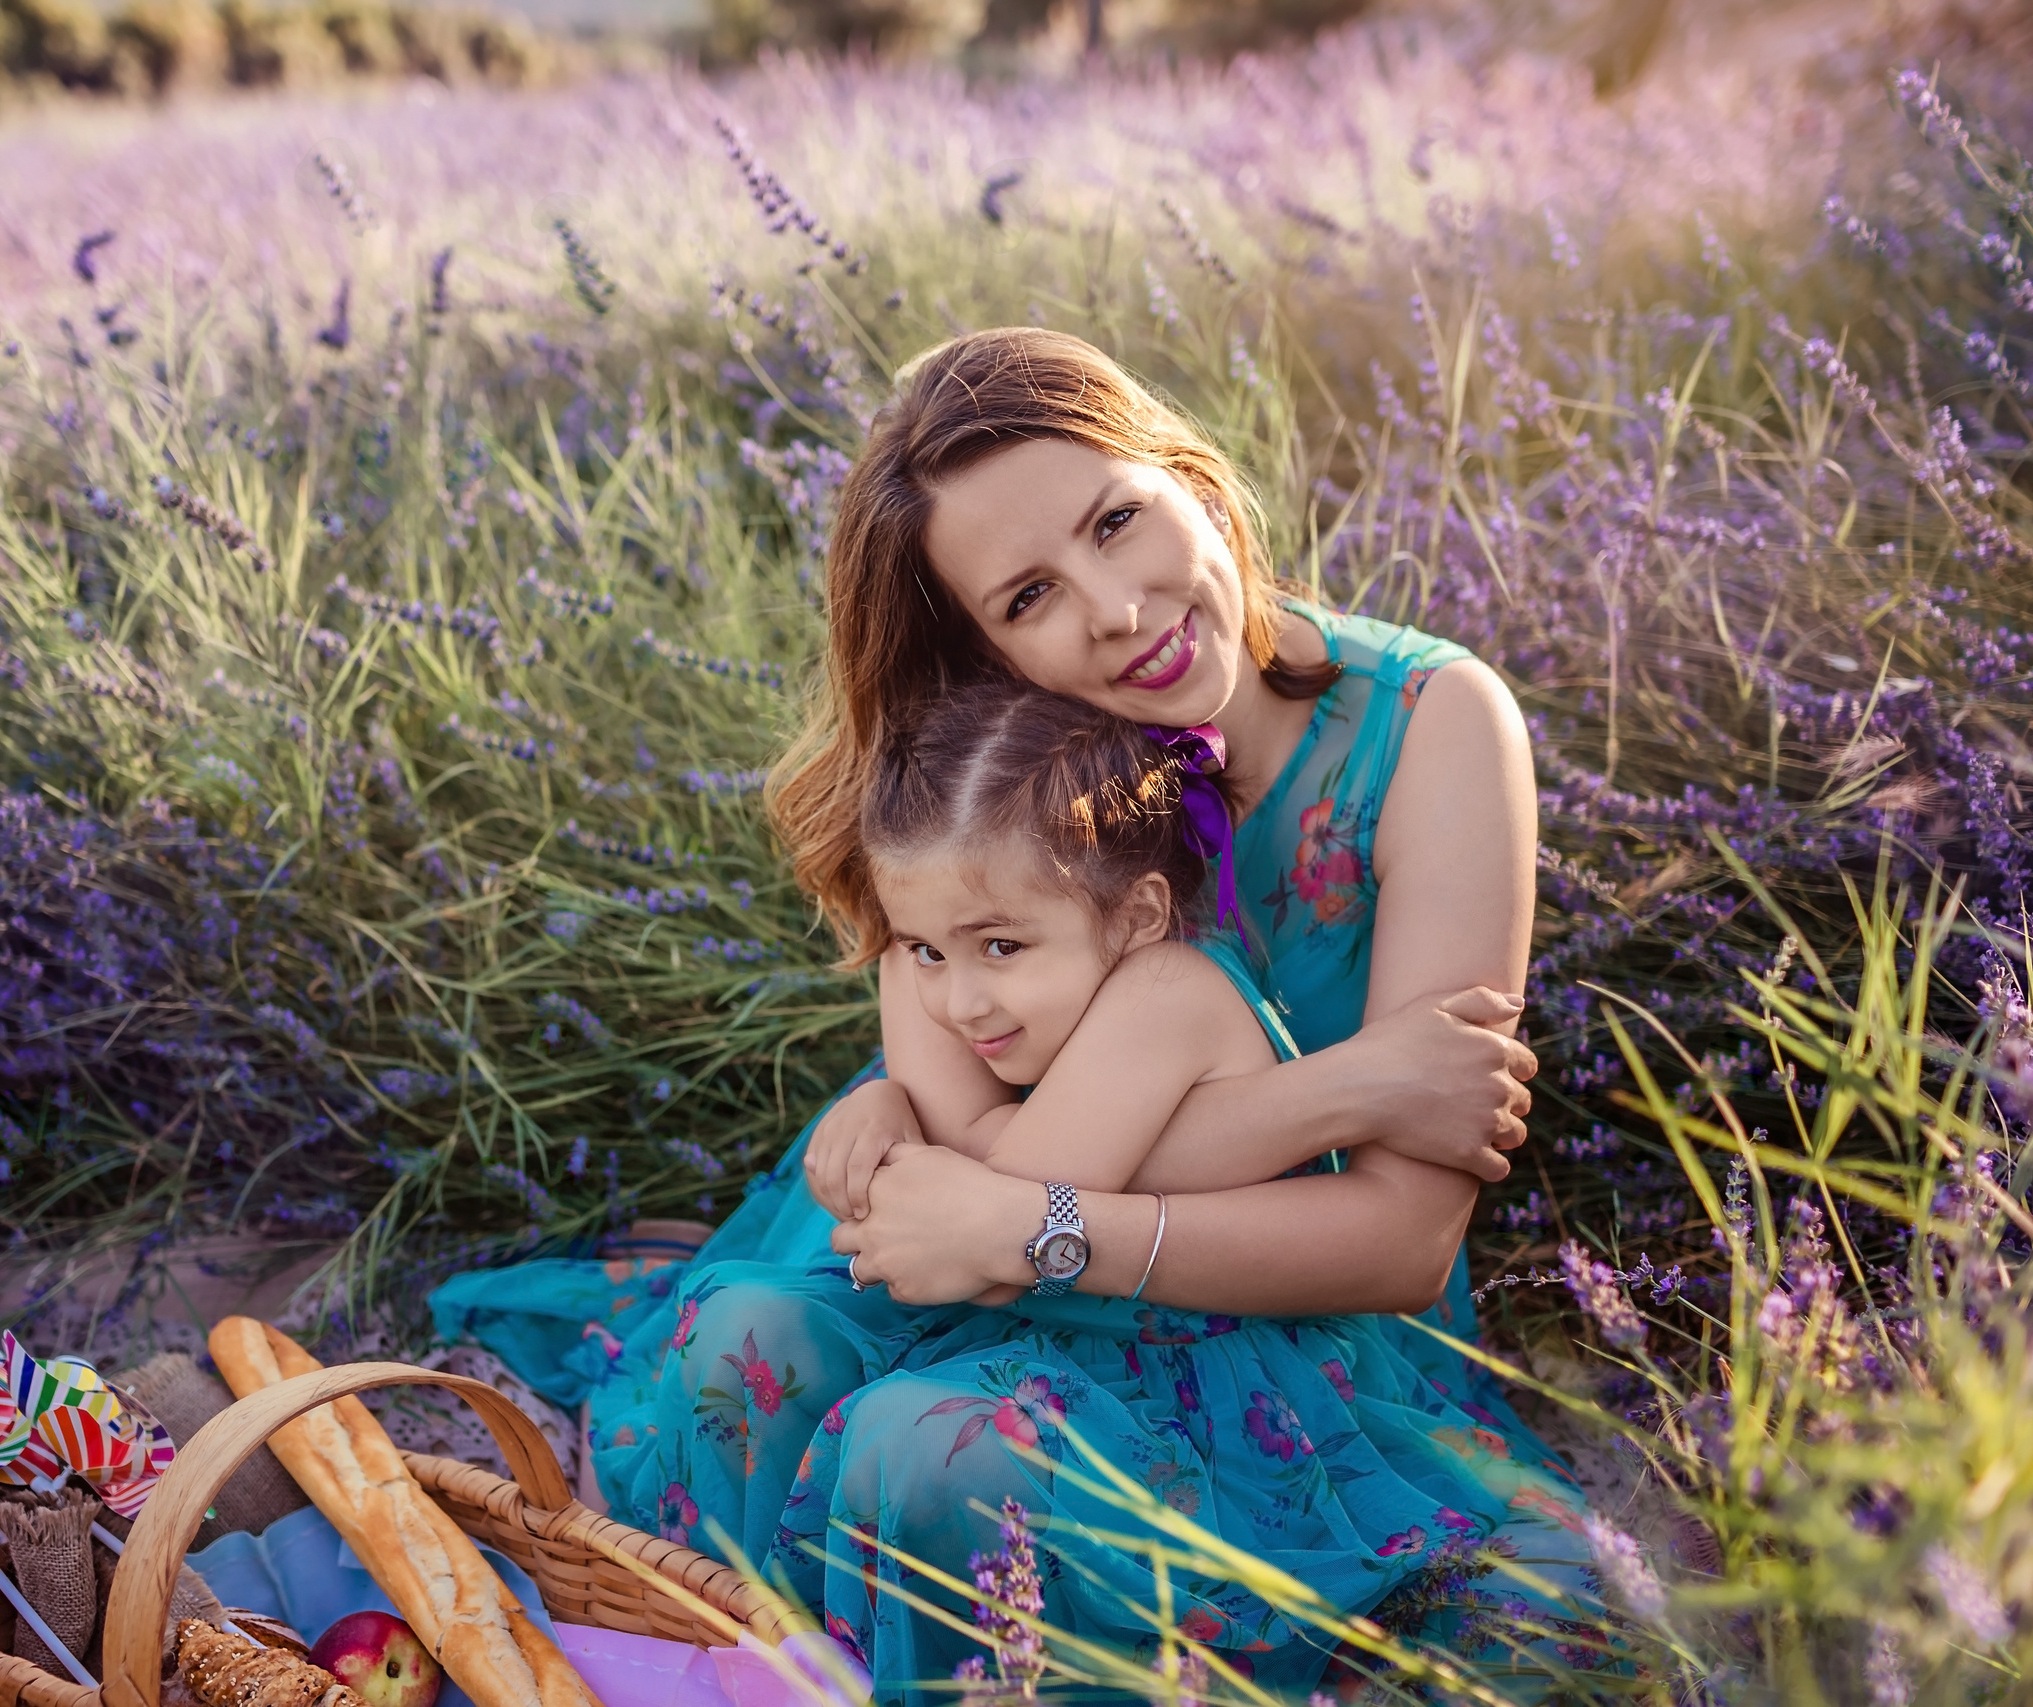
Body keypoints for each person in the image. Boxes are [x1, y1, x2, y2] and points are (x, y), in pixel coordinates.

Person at [433, 328, 1602, 1697]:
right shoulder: (984, 768)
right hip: (957, 1224)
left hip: (1277, 1292)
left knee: (940, 1455)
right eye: (1031, 595)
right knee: (749, 1352)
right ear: (984, 654)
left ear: (1188, 477)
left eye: (1119, 520)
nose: (1116, 610)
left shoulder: (1432, 727)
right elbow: (969, 1167)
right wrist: (1341, 1092)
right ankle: (777, 1663)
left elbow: (1399, 1239)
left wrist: (1035, 1228)